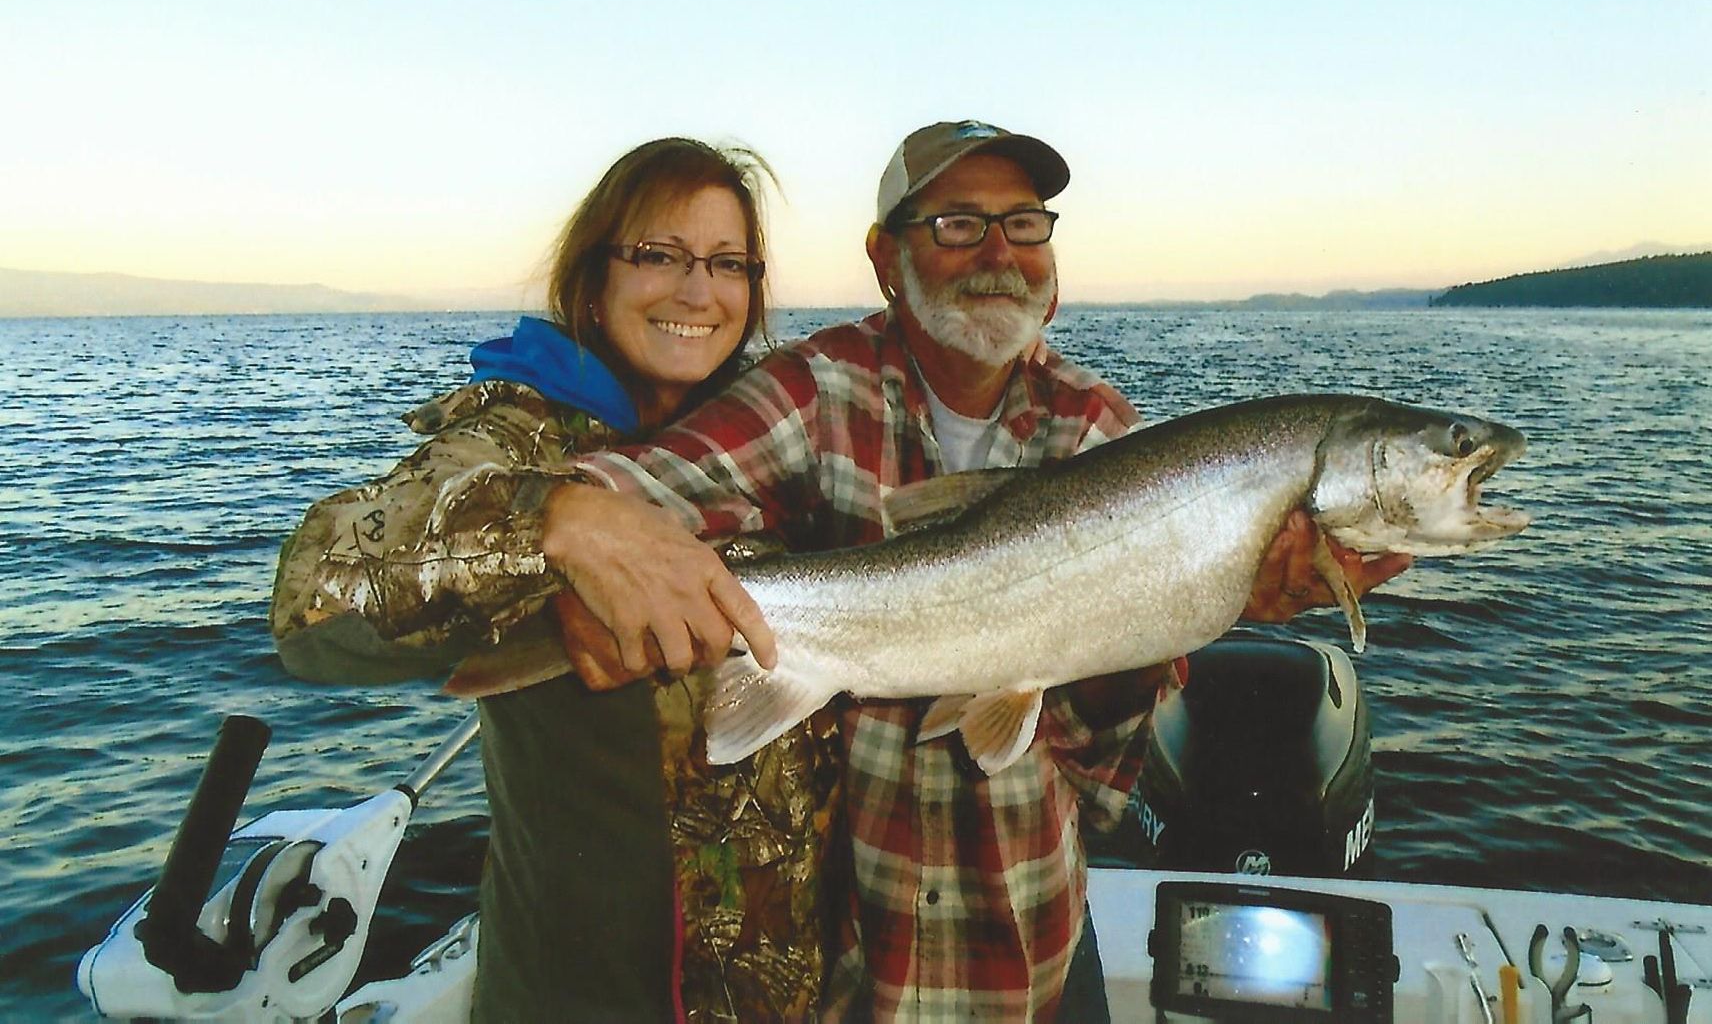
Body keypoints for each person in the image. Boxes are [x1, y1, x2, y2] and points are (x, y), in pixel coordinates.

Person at [530, 120, 1409, 1019]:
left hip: (1026, 948)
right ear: (885, 257)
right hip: (849, 967)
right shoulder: (818, 388)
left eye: (1025, 224)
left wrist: (1198, 610)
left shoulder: (1101, 432)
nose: (1000, 253)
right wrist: (579, 525)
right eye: (958, 223)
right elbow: (621, 492)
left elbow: (1097, 758)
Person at [270, 138, 842, 1021]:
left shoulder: (790, 435)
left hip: (787, 989)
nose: (699, 290)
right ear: (592, 279)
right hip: (581, 990)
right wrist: (561, 522)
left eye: (729, 263)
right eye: (660, 255)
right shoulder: (516, 438)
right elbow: (317, 601)